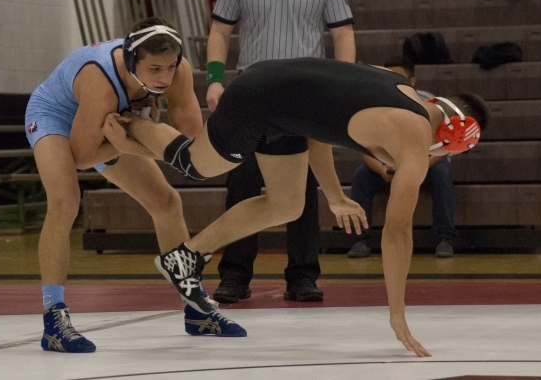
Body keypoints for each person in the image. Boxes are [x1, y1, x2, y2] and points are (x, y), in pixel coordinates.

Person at [102, 57, 489, 357]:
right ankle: (129, 121)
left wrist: (335, 196)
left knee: (287, 204)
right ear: (455, 138)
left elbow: (317, 122)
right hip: (260, 99)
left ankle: (186, 257)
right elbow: (397, 231)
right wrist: (396, 311)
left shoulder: (397, 85)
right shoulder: (416, 138)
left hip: (282, 101)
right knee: (196, 164)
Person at [24, 16, 246, 353]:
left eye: (170, 67)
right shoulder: (101, 80)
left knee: (167, 202)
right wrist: (128, 144)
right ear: (131, 61)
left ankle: (195, 307)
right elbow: (83, 156)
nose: (164, 77)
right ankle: (54, 318)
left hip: (112, 122)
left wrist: (131, 138)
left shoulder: (177, 71)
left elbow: (188, 141)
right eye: (154, 68)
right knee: (65, 200)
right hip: (57, 116)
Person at [205, 0, 356, 303]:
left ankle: (303, 275)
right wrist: (215, 79)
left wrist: (343, 85)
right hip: (252, 88)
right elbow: (220, 29)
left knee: (303, 185)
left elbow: (342, 33)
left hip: (307, 87)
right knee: (241, 181)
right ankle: (234, 273)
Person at [347, 56, 456, 259]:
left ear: (412, 81)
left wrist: (412, 170)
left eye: (398, 77)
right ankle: (360, 240)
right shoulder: (374, 104)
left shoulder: (429, 104)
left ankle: (445, 238)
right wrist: (382, 169)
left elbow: (441, 151)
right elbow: (365, 149)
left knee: (442, 173)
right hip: (389, 166)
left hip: (425, 165)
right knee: (362, 175)